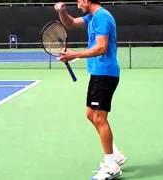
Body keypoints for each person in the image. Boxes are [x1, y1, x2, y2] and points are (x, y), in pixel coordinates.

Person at [54, 0, 126, 179]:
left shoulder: (102, 17)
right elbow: (70, 23)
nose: (77, 4)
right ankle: (115, 154)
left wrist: (74, 54)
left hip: (105, 73)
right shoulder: (92, 17)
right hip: (98, 73)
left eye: (79, 1)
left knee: (99, 118)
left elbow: (102, 47)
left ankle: (111, 166)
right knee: (90, 115)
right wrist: (61, 11)